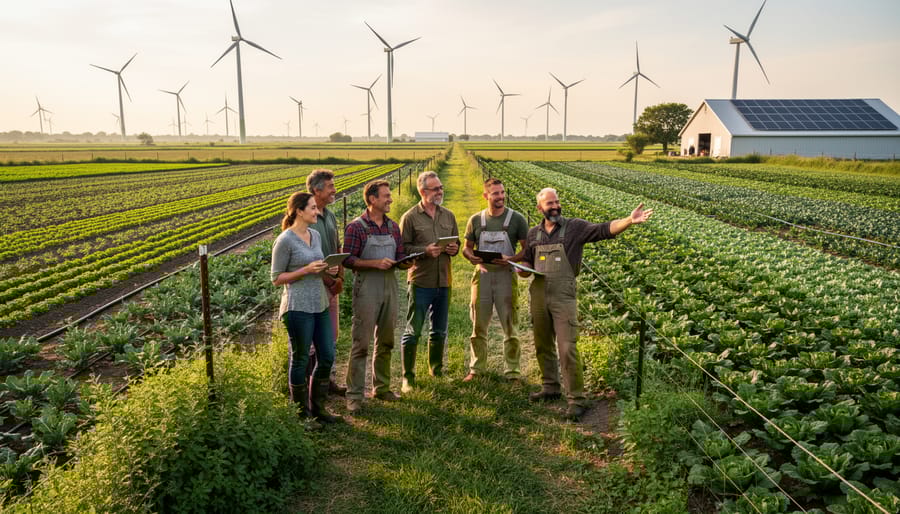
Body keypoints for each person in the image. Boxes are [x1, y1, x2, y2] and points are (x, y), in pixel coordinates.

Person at [517, 188, 653, 421]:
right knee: (542, 343)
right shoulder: (533, 234)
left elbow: (603, 229)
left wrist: (629, 220)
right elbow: (527, 261)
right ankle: (550, 387)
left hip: (563, 294)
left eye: (557, 201)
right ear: (540, 208)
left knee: (567, 346)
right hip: (538, 292)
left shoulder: (575, 228)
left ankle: (577, 399)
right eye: (550, 203)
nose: (556, 206)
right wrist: (520, 268)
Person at [271, 192, 343, 426]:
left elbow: (317, 267)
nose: (316, 211)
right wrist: (306, 270)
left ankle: (318, 408)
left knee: (327, 354)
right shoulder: (285, 240)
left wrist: (327, 270)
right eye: (312, 208)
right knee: (301, 358)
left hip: (319, 303)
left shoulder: (314, 235)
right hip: (297, 307)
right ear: (299, 211)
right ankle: (302, 415)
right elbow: (276, 278)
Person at [342, 179, 412, 414]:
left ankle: (381, 387)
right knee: (361, 343)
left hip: (390, 286)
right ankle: (354, 395)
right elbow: (348, 259)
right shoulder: (357, 227)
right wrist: (374, 263)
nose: (390, 199)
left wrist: (407, 262)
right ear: (372, 199)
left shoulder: (393, 227)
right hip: (367, 288)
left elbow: (399, 254)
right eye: (385, 196)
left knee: (386, 340)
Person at [461, 178, 528, 382]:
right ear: (486, 196)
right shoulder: (475, 220)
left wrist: (511, 259)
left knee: (510, 325)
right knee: (478, 325)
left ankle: (513, 372)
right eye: (495, 193)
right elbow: (466, 247)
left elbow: (527, 250)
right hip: (482, 276)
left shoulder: (517, 219)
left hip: (506, 276)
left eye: (502, 192)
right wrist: (470, 256)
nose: (500, 197)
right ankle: (476, 369)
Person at [398, 171, 459, 393]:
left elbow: (456, 243)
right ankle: (408, 378)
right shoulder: (410, 217)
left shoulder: (448, 215)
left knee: (439, 330)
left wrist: (454, 249)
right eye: (435, 189)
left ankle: (436, 369)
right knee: (413, 330)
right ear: (423, 192)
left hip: (444, 280)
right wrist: (424, 251)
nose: (440, 191)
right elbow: (403, 249)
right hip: (420, 281)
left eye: (441, 187)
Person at [304, 168, 347, 397]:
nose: (335, 190)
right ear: (316, 190)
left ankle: (327, 380)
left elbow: (337, 247)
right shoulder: (306, 218)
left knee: (331, 335)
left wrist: (339, 277)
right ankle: (313, 388)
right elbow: (307, 257)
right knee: (313, 340)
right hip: (314, 285)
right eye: (330, 186)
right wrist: (329, 280)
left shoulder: (329, 215)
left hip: (332, 284)